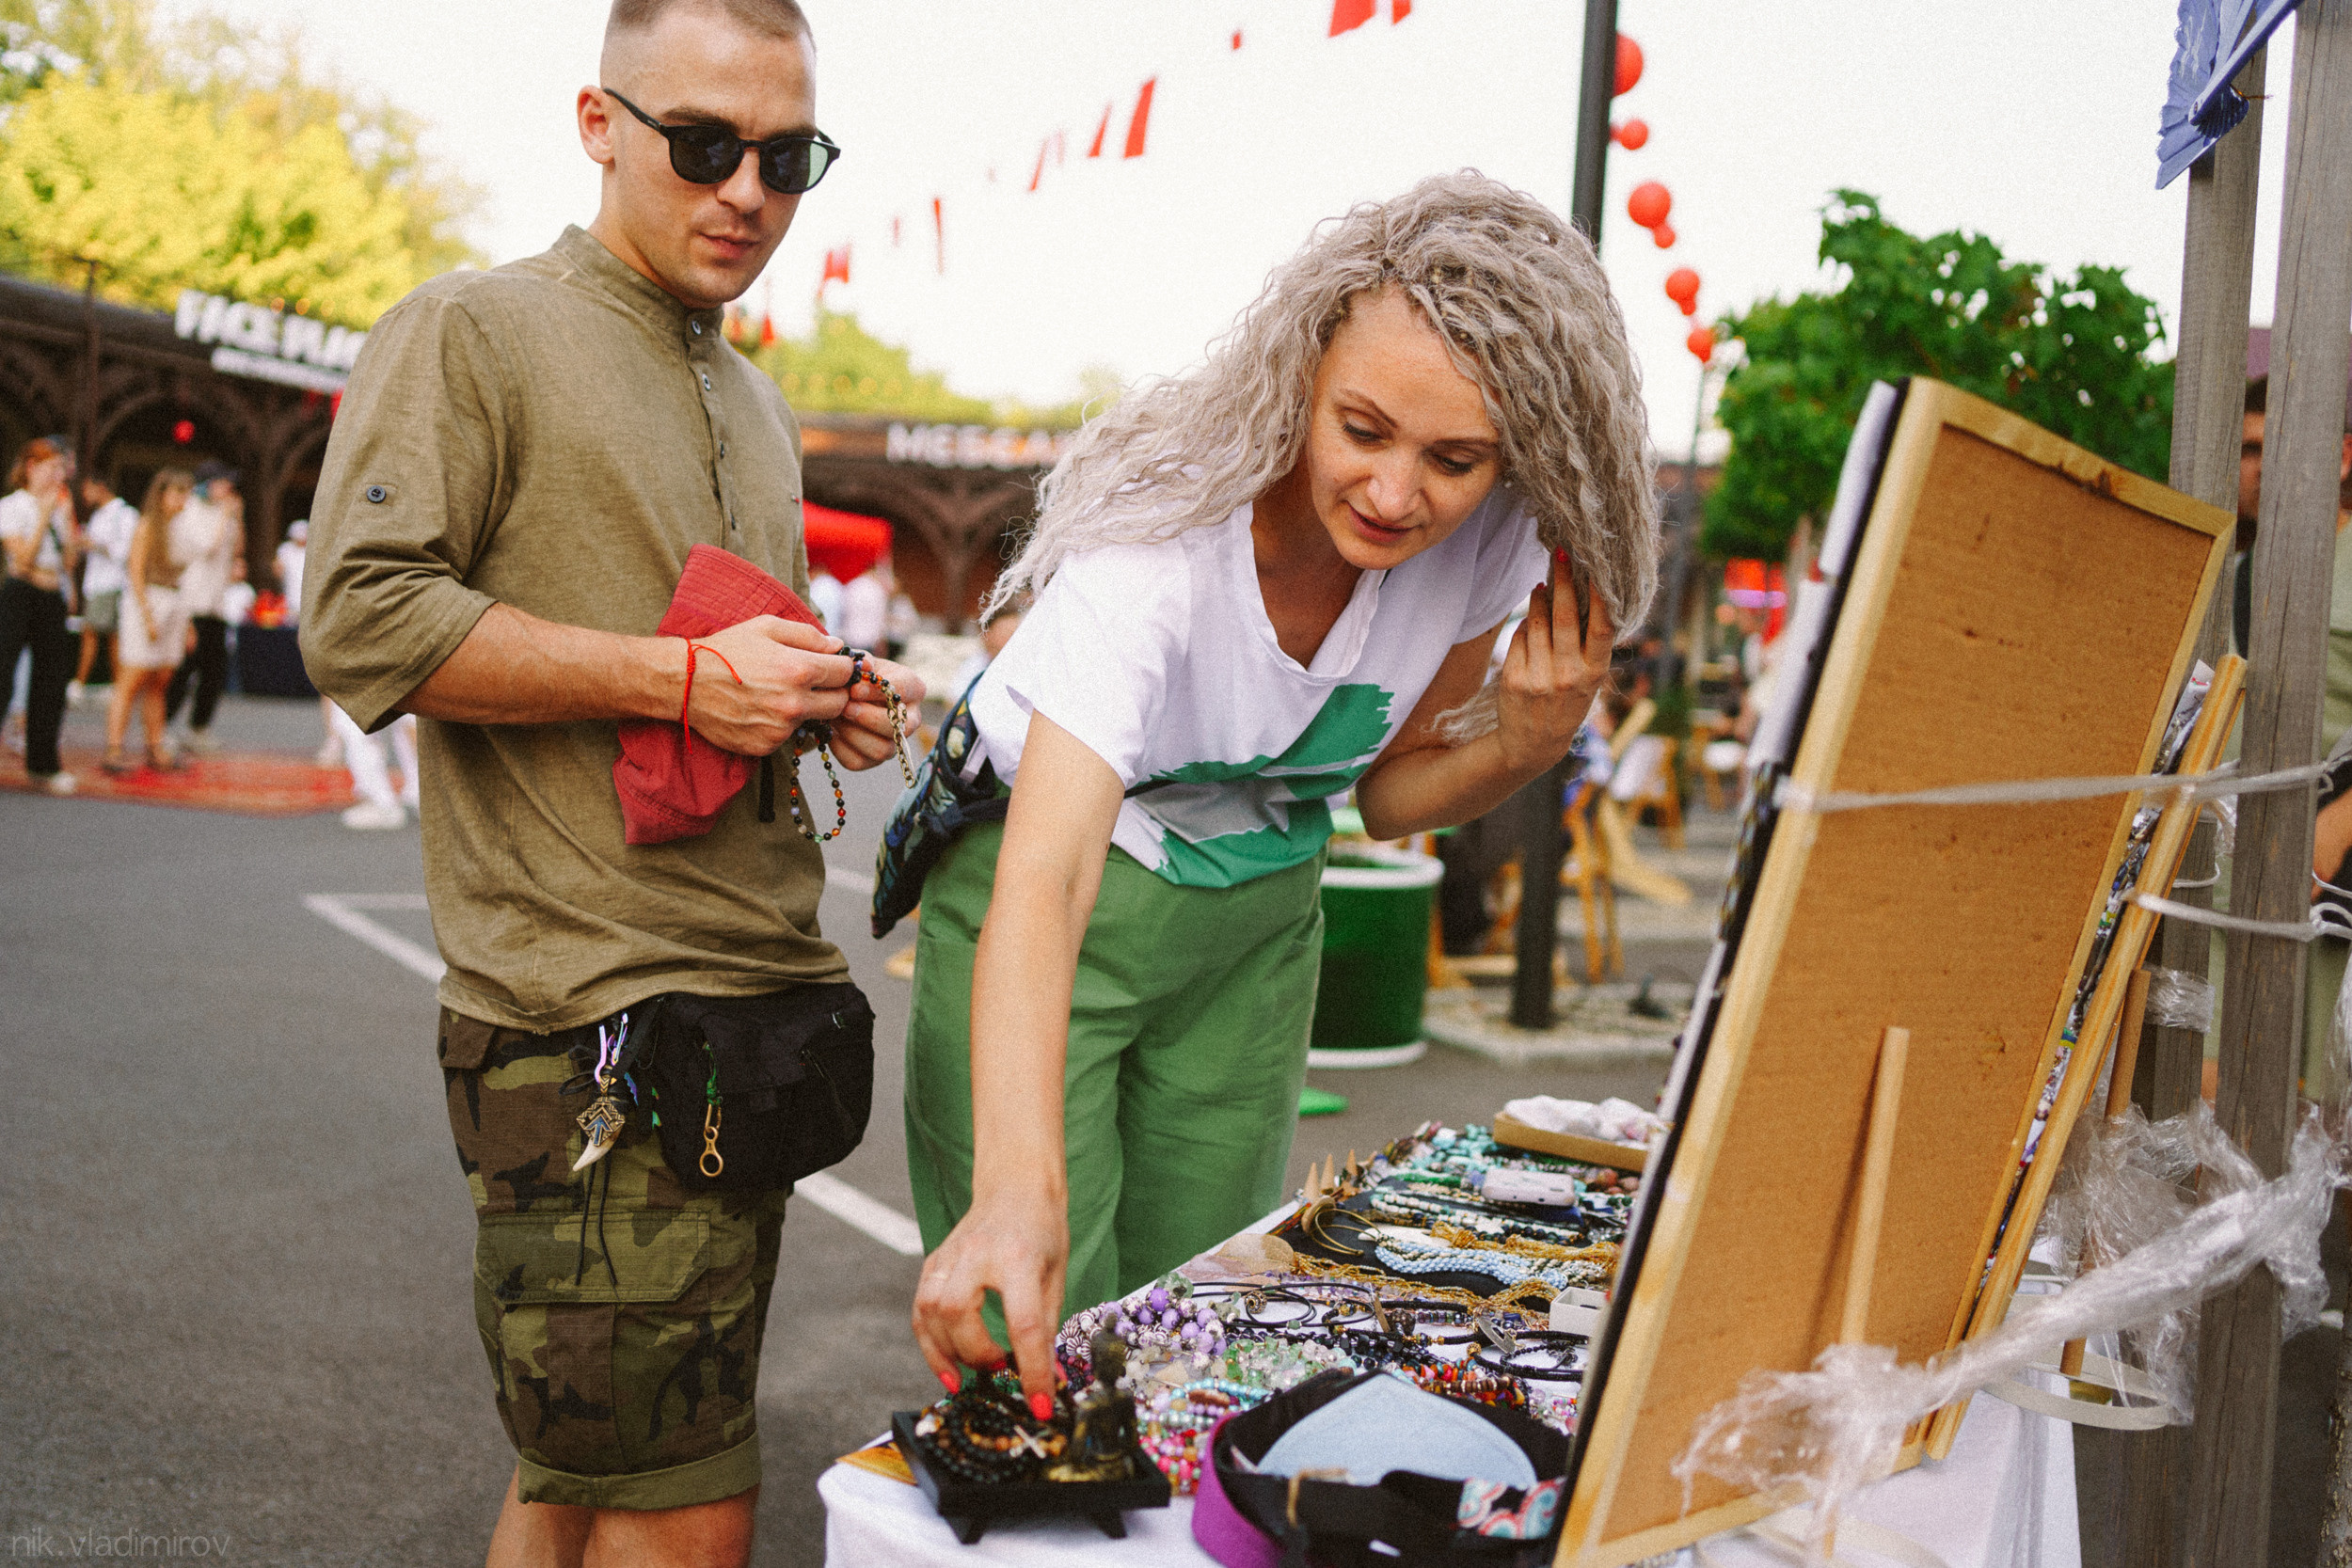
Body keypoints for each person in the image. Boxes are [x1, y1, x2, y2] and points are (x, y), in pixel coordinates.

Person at [299, 4, 915, 1563]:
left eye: (789, 157)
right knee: (684, 1506)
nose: (748, 192)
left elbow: (705, 660)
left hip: (739, 1021)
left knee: (579, 1476)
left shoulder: (756, 400)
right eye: (703, 145)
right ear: (598, 124)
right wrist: (683, 680)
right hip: (592, 1032)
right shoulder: (473, 329)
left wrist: (812, 702)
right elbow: (360, 616)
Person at [905, 173, 1656, 1414]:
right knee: (1040, 1345)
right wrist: (1015, 1191)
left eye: (1455, 458)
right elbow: (1048, 872)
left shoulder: (1499, 538)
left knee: (1199, 1340)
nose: (1397, 494)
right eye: (1362, 429)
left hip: (1255, 930)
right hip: (1057, 907)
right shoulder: (1162, 525)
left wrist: (1529, 739)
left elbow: (1389, 796)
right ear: (1300, 375)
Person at [0, 436, 84, 793]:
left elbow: (68, 560)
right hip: (21, 592)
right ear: (32, 467)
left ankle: (44, 764)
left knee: (51, 681)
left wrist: (66, 526)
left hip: (52, 595)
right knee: (4, 673)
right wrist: (45, 515)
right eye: (52, 468)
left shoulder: (60, 506)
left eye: (61, 470)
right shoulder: (12, 505)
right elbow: (22, 559)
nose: (57, 477)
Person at [104, 469, 199, 774]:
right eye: (177, 493)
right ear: (161, 495)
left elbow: (186, 578)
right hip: (147, 599)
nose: (182, 500)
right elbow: (135, 572)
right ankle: (114, 748)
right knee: (131, 677)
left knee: (160, 680)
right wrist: (147, 616)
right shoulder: (147, 525)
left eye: (185, 494)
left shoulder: (181, 528)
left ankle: (155, 747)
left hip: (173, 600)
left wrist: (187, 622)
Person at [164, 460, 244, 755]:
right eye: (222, 482)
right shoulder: (192, 511)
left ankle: (199, 727)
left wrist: (237, 518)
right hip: (192, 602)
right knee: (184, 668)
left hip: (216, 604)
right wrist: (225, 516)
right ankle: (162, 726)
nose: (228, 488)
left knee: (214, 670)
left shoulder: (226, 514)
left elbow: (236, 550)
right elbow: (209, 546)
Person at [71, 472, 138, 708]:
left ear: (100, 486)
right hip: (95, 583)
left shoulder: (124, 514)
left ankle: (82, 685)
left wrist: (94, 545)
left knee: (100, 634)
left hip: (112, 584)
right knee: (107, 635)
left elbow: (127, 552)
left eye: (88, 489)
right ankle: (117, 686)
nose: (85, 495)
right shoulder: (98, 515)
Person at [836, 562, 886, 649]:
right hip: (869, 639)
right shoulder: (877, 589)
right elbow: (880, 617)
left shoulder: (853, 585)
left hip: (851, 636)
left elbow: (843, 611)